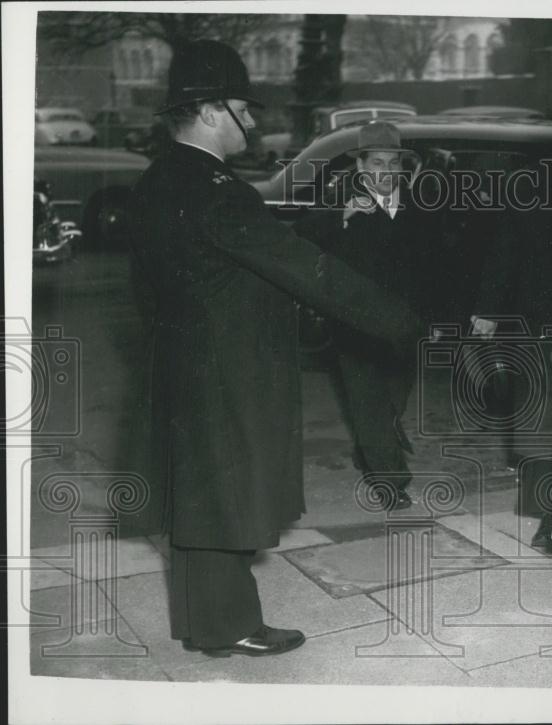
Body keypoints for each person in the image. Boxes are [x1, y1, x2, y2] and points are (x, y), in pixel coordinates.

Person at [127, 40, 424, 658]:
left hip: (183, 362)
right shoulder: (216, 189)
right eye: (244, 107)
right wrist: (397, 319)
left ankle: (212, 624)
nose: (255, 120)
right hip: (225, 370)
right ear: (211, 112)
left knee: (200, 500)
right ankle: (228, 625)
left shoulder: (160, 178)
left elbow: (150, 289)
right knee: (226, 498)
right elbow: (302, 266)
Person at [472, 98, 552, 551]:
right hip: (542, 319)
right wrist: (487, 309)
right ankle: (547, 516)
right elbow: (504, 249)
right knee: (544, 419)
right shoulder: (529, 184)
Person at [294, 122, 444, 511]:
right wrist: (342, 214)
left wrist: (438, 321)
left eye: (393, 163)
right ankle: (390, 481)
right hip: (356, 327)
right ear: (361, 167)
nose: (386, 172)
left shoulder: (422, 207)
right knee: (369, 403)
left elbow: (442, 268)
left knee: (394, 400)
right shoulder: (339, 205)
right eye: (377, 163)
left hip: (406, 328)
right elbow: (300, 240)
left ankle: (372, 451)